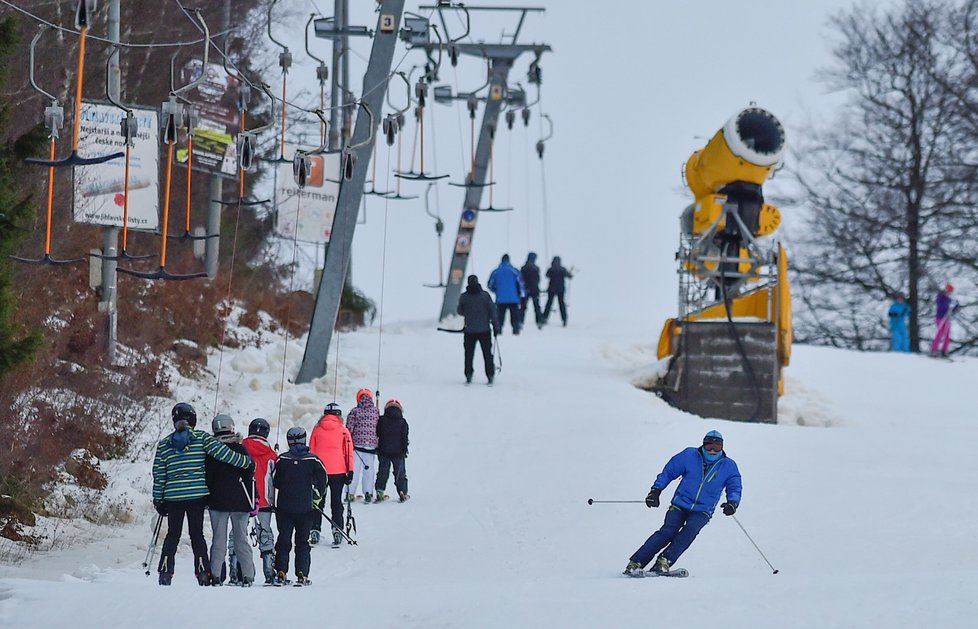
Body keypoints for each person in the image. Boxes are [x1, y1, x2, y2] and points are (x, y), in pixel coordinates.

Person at [152, 402, 254, 586]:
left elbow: (159, 474)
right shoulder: (201, 438)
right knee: (197, 535)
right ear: (193, 419)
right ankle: (203, 573)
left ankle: (165, 572)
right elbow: (224, 454)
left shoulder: (164, 445)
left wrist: (158, 499)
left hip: (172, 497)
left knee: (172, 535)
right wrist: (246, 462)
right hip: (197, 496)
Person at [623, 431, 742, 576]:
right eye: (709, 445)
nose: (712, 450)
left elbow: (735, 486)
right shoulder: (689, 455)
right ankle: (636, 562)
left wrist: (732, 503)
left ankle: (664, 561)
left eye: (717, 447)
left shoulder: (729, 466)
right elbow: (669, 472)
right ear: (703, 444)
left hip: (703, 509)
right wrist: (656, 491)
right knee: (668, 531)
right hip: (680, 503)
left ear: (722, 447)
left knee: (690, 531)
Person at [271, 426, 327, 586]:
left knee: (283, 540)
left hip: (285, 508)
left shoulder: (282, 459)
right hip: (306, 508)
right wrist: (316, 497)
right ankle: (302, 573)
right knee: (303, 542)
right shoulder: (314, 460)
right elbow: (323, 482)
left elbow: (275, 481)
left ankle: (281, 571)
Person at [205, 414, 256, 586]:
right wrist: (254, 499)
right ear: (232, 427)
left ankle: (216, 575)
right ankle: (248, 575)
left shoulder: (211, 451)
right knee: (241, 539)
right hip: (240, 502)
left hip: (217, 502)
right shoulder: (241, 450)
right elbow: (250, 476)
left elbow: (207, 478)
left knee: (218, 540)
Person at [308, 403, 354, 546]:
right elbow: (348, 453)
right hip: (338, 471)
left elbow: (311, 450)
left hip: (319, 470)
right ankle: (337, 529)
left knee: (317, 501)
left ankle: (314, 529)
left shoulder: (316, 429)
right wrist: (350, 470)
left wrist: (310, 470)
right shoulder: (343, 430)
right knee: (336, 502)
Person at [242, 417, 278, 585]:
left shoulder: (239, 450)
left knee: (238, 534)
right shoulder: (271, 455)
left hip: (241, 500)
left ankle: (237, 572)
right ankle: (269, 572)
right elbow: (276, 479)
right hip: (263, 501)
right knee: (265, 532)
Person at [456, 274, 500, 385]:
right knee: (487, 354)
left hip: (469, 330)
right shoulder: (485, 296)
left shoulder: (464, 297)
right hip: (484, 330)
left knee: (469, 354)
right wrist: (495, 327)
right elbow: (493, 312)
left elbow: (460, 311)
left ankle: (468, 374)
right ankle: (490, 375)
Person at [346, 388, 380, 503]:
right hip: (371, 446)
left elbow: (349, 429)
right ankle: (368, 492)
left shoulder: (355, 411)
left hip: (357, 446)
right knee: (369, 470)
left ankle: (350, 493)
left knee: (354, 470)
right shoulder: (376, 411)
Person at [374, 398, 410, 503]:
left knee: (383, 472)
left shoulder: (381, 420)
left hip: (383, 450)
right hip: (398, 451)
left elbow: (377, 433)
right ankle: (402, 491)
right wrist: (404, 450)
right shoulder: (403, 422)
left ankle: (380, 491)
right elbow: (405, 437)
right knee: (400, 472)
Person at [487, 253, 525, 334]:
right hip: (513, 299)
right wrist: (520, 294)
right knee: (515, 318)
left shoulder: (496, 272)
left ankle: (499, 332)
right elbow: (521, 284)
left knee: (500, 318)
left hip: (501, 299)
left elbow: (490, 285)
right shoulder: (514, 271)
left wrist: (496, 291)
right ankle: (516, 332)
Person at [543, 256, 573, 327]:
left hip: (551, 288)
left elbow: (547, 275)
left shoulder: (550, 269)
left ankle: (544, 317)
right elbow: (569, 276)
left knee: (549, 303)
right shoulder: (562, 269)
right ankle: (564, 319)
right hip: (561, 289)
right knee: (561, 304)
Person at [930, 283, 959, 358]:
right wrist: (948, 306)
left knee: (947, 335)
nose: (949, 293)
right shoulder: (940, 297)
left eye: (951, 292)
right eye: (949, 291)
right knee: (940, 333)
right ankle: (934, 349)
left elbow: (952, 310)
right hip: (940, 318)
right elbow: (941, 306)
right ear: (946, 290)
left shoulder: (949, 299)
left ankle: (944, 350)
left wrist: (956, 306)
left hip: (947, 319)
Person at [520, 252, 544, 330]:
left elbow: (521, 279)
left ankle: (520, 322)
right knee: (537, 307)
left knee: (523, 307)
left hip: (525, 290)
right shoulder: (536, 268)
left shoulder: (523, 268)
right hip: (534, 290)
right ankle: (539, 322)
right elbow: (538, 279)